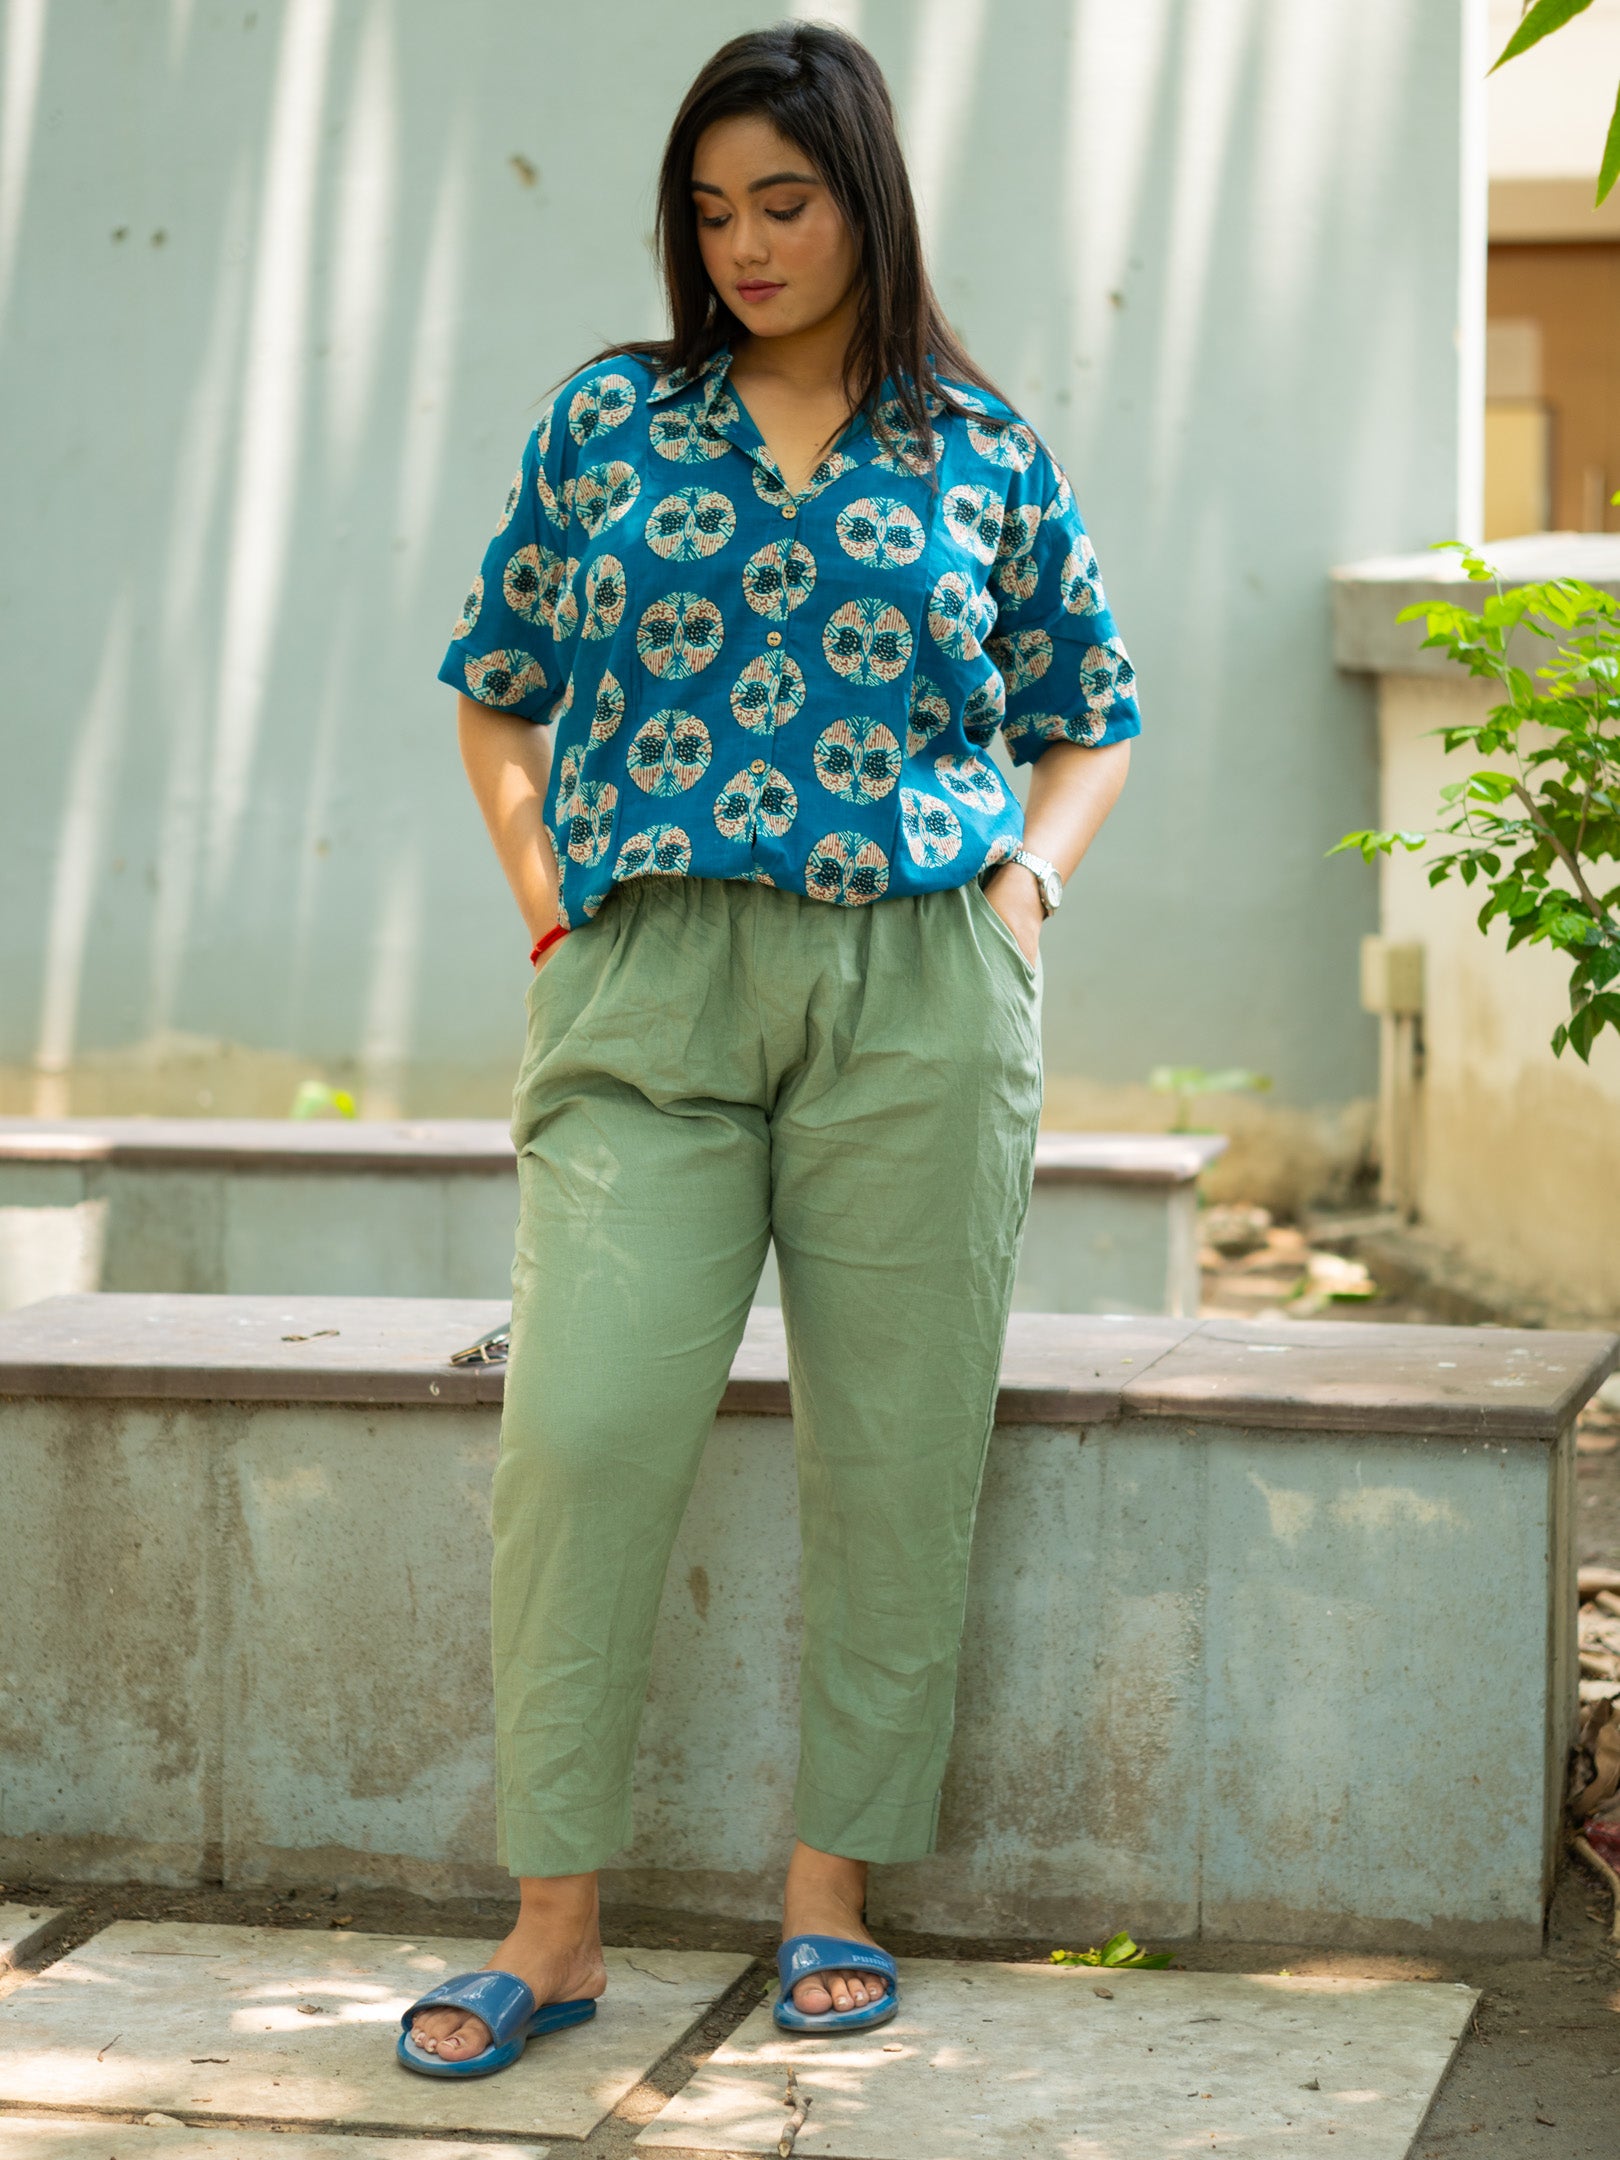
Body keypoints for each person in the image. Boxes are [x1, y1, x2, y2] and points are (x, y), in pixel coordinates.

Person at [398, 19, 1138, 2079]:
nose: (745, 243)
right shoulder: (612, 421)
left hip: (920, 982)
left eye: (784, 202)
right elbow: (496, 685)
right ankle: (553, 1926)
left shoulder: (976, 450)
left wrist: (1025, 895)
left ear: (864, 201)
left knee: (897, 1450)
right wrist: (550, 900)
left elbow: (1095, 704)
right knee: (584, 1432)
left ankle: (835, 1888)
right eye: (712, 211)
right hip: (649, 990)